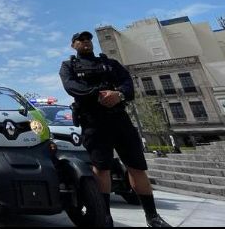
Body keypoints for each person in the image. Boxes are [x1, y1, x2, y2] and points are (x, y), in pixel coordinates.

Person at [60, 31, 170, 228]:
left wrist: (118, 94)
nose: (86, 42)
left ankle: (152, 217)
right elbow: (71, 87)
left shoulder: (111, 64)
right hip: (93, 121)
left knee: (136, 167)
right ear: (73, 45)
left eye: (88, 40)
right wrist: (100, 94)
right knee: (101, 168)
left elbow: (128, 84)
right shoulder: (69, 66)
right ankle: (105, 217)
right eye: (81, 40)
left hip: (120, 119)